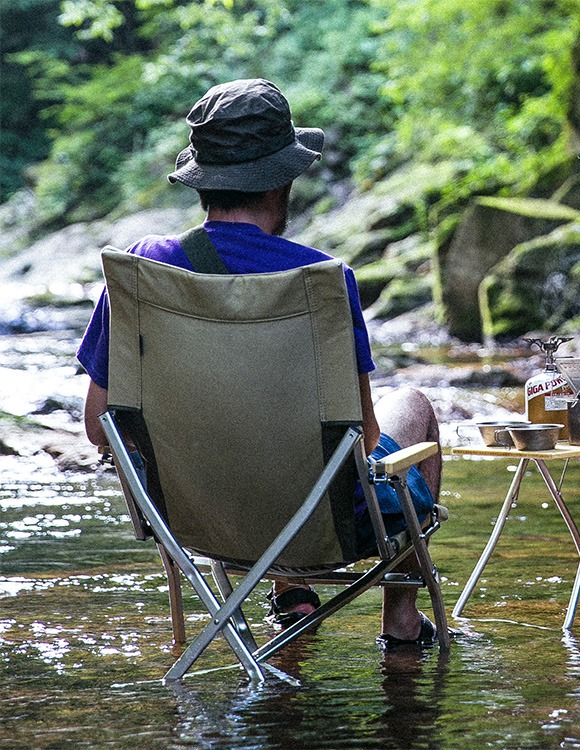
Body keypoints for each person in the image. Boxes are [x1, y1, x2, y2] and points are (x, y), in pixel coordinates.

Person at [77, 78, 442, 648]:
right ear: (283, 181)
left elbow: (100, 425)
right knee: (412, 406)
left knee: (236, 440)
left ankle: (287, 593)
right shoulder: (321, 281)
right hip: (320, 526)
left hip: (191, 518)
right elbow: (364, 435)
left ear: (204, 181)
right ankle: (399, 617)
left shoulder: (143, 269)